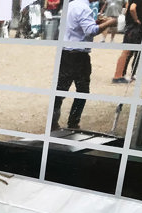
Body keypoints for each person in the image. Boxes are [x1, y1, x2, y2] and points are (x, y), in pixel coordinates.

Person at [52, 0, 116, 130]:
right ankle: (73, 122)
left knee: (60, 89)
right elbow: (91, 31)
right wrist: (111, 22)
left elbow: (76, 27)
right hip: (79, 55)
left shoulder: (72, 5)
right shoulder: (84, 8)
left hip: (66, 51)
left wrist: (96, 22)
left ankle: (53, 122)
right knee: (82, 91)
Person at [112, 0, 142, 83]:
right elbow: (132, 8)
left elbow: (128, 7)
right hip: (133, 27)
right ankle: (117, 76)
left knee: (127, 52)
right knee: (126, 52)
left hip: (130, 26)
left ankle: (120, 75)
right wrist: (136, 19)